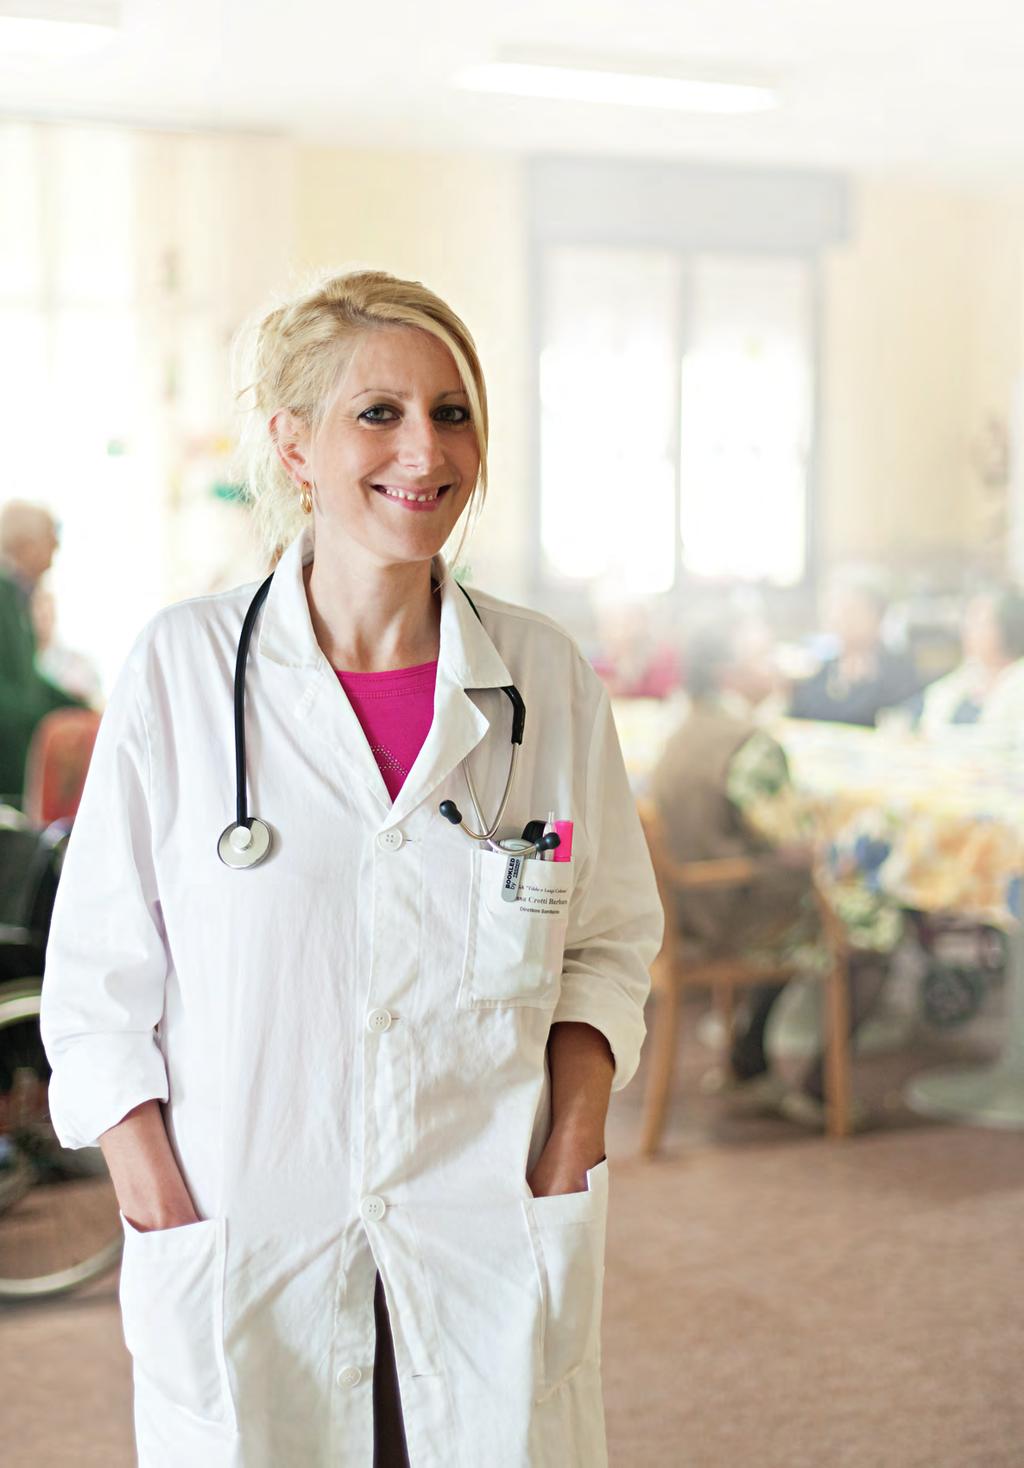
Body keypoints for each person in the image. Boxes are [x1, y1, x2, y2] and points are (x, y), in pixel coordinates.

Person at [40, 270, 663, 1468]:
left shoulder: (543, 679)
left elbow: (605, 942)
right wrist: (163, 1206)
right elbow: (97, 990)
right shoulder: (181, 671)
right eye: (377, 413)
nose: (423, 450)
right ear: (293, 443)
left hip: (484, 1223)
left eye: (452, 411)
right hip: (246, 1235)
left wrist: (568, 1139)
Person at [649, 616, 900, 1126]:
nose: (777, 668)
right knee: (876, 921)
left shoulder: (686, 730)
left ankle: (749, 1062)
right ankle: (820, 1088)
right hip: (730, 914)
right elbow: (793, 845)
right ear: (728, 673)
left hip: (687, 910)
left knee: (813, 897)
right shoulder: (749, 743)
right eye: (762, 658)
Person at [0, 501, 85, 806]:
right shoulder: (4, 595)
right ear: (27, 544)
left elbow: (29, 679)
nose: (57, 546)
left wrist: (77, 705)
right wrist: (44, 716)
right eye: (51, 537)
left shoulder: (18, 596)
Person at [789, 576, 921, 727]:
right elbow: (798, 715)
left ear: (878, 617)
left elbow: (902, 722)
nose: (840, 619)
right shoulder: (826, 670)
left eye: (852, 611)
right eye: (836, 610)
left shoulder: (898, 672)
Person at [918, 587, 1024, 735]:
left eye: (978, 623)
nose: (968, 631)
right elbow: (929, 727)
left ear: (1008, 628)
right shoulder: (961, 679)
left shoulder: (1018, 682)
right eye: (967, 623)